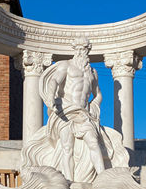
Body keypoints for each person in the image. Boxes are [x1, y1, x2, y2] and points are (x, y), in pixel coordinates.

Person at [41, 37, 107, 180]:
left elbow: (98, 94)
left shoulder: (93, 72)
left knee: (94, 143)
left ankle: (103, 179)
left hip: (83, 114)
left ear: (88, 50)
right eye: (79, 49)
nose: (82, 52)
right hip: (66, 111)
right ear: (75, 50)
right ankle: (69, 181)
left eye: (85, 49)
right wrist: (50, 96)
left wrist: (94, 106)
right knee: (67, 148)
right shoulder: (66, 65)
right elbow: (54, 81)